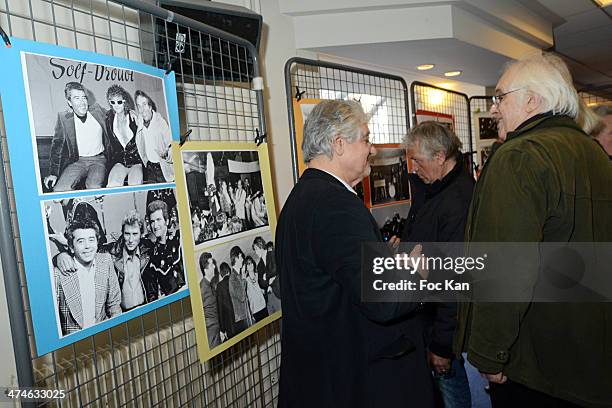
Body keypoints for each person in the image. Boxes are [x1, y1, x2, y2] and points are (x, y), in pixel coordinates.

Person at [454, 54, 612, 407]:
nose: (493, 110)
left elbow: (506, 265)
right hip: (587, 359)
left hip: (535, 366)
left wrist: (489, 353)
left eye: (500, 98)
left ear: (532, 99)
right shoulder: (595, 154)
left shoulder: (519, 156)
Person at [276, 100, 434, 407]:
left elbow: (333, 279)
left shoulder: (302, 197)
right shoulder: (335, 205)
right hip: (353, 380)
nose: (372, 149)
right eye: (365, 138)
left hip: (323, 375)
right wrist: (416, 273)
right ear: (338, 144)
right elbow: (383, 300)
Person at [399, 122, 474, 407]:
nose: (414, 168)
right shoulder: (435, 189)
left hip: (450, 337)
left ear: (440, 157)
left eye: (417, 161)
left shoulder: (456, 201)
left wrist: (442, 346)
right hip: (433, 326)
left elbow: (456, 278)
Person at [55, 217, 121, 335]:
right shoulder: (59, 274)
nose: (87, 246)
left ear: (97, 242)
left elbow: (114, 303)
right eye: (80, 241)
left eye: (91, 240)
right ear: (71, 247)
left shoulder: (106, 261)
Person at [45, 82, 110, 192]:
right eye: (76, 98)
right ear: (69, 102)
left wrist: (129, 111)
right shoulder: (64, 118)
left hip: (98, 159)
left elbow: (115, 115)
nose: (82, 102)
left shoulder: (97, 111)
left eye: (84, 98)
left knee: (94, 188)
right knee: (59, 191)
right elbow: (57, 147)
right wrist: (53, 173)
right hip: (77, 161)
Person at [143, 200, 184, 301]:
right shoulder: (152, 257)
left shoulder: (180, 241)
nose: (155, 225)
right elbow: (152, 295)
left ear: (167, 221)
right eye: (152, 221)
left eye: (158, 220)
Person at [105, 85, 142, 187]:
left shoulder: (134, 118)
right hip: (120, 162)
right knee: (112, 186)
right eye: (112, 102)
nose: (116, 105)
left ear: (125, 101)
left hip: (136, 161)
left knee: (135, 186)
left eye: (119, 102)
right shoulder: (109, 119)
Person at [134, 90, 174, 183]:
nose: (142, 109)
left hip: (162, 168)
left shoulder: (161, 123)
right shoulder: (139, 120)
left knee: (167, 195)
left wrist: (167, 152)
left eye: (144, 104)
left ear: (150, 106)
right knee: (153, 196)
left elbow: (170, 144)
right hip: (149, 167)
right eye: (139, 106)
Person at [252, 236, 280, 315]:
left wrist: (266, 276)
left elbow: (276, 268)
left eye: (256, 249)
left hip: (278, 292)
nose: (256, 252)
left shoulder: (271, 251)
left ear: (260, 245)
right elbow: (261, 283)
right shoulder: (259, 265)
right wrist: (269, 281)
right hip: (269, 297)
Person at [199, 252, 221, 348]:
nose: (214, 267)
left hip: (216, 328)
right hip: (211, 330)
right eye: (212, 264)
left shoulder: (211, 285)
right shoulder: (202, 287)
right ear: (205, 269)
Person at [228, 246, 251, 332]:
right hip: (241, 319)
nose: (242, 259)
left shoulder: (238, 275)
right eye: (241, 257)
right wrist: (244, 279)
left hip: (246, 316)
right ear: (236, 258)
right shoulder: (232, 278)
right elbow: (241, 296)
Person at [244, 255, 268, 323]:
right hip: (255, 311)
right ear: (246, 267)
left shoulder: (258, 275)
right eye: (248, 264)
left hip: (263, 306)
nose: (250, 265)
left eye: (251, 263)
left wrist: (263, 290)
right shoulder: (245, 280)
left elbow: (263, 288)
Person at [216, 261, 235, 341]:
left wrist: (222, 329)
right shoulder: (234, 281)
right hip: (241, 321)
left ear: (221, 274)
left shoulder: (219, 286)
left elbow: (219, 309)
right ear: (229, 271)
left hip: (229, 325)